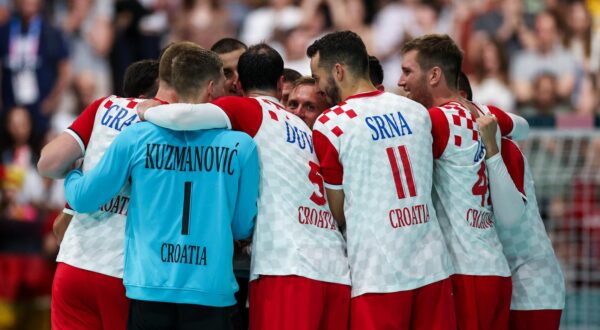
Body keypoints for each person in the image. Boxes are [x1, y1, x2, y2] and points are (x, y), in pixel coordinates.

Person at [139, 43, 351, 330]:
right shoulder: (302, 126)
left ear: (237, 83)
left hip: (287, 267)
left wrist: (147, 109)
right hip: (335, 269)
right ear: (280, 84)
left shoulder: (247, 108)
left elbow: (182, 117)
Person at [64, 46, 259, 330]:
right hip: (212, 292)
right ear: (209, 88)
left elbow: (83, 199)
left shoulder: (136, 137)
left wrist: (73, 175)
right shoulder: (242, 146)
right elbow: (243, 227)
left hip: (149, 289)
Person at [37, 42, 199, 330]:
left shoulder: (105, 106)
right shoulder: (185, 125)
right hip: (129, 275)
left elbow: (48, 163)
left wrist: (75, 176)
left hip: (75, 264)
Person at [308, 30, 455, 330]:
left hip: (378, 276)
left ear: (338, 71)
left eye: (317, 76)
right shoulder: (417, 113)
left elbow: (336, 212)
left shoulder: (331, 124)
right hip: (433, 267)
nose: (318, 87)